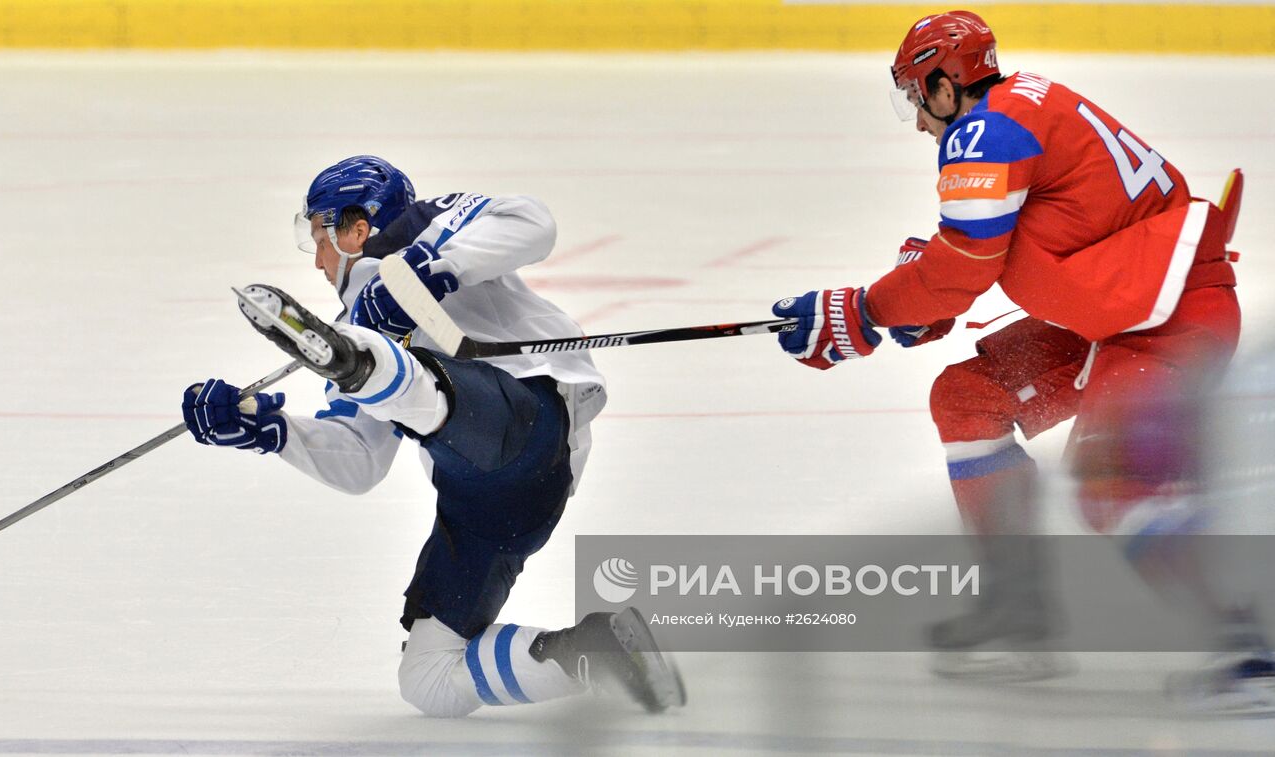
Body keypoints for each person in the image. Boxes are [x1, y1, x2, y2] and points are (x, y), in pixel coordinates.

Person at [769, 11, 1272, 711]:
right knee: (967, 399)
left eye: (918, 96)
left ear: (946, 85)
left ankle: (1251, 649)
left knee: (1110, 483)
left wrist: (866, 309)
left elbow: (963, 265)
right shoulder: (1020, 105)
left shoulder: (984, 132)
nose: (918, 120)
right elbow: (982, 258)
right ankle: (1018, 606)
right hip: (1126, 312)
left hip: (1168, 320)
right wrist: (916, 300)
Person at [181, 155, 685, 717]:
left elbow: (533, 223)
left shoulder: (430, 225)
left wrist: (432, 267)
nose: (318, 258)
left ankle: (369, 370)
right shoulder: (350, 325)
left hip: (527, 420)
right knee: (429, 679)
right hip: (494, 497)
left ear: (356, 226)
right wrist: (272, 432)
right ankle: (593, 651)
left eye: (318, 233)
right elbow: (357, 463)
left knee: (398, 374)